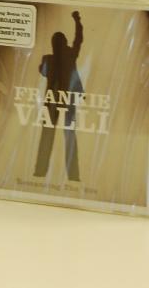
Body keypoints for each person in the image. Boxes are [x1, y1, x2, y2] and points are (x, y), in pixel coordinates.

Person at [33, 11, 85, 180]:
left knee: (54, 135)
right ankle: (71, 175)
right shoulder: (66, 55)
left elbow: (42, 71)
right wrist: (77, 20)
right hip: (61, 100)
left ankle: (42, 171)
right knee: (64, 135)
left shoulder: (51, 58)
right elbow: (78, 40)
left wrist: (77, 21)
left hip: (60, 100)